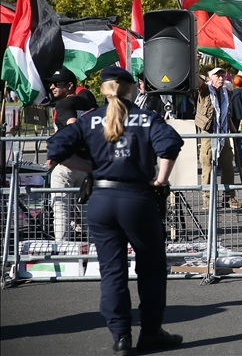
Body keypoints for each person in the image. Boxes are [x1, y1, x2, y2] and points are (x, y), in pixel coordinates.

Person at [46, 66, 184, 355]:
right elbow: (170, 145)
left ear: (104, 90)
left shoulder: (90, 119)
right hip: (137, 199)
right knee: (152, 267)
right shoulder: (146, 118)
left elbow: (56, 147)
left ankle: (121, 335)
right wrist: (160, 180)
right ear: (130, 88)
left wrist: (90, 169)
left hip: (101, 199)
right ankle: (150, 332)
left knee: (112, 270)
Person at [46, 67, 94, 241]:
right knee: (89, 214)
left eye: (57, 84)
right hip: (88, 164)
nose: (52, 87)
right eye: (51, 83)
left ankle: (63, 254)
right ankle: (94, 253)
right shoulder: (89, 103)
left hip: (69, 164)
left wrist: (60, 150)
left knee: (61, 210)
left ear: (70, 86)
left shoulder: (65, 103)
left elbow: (72, 124)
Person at [195, 67, 242, 209]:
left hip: (223, 133)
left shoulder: (226, 92)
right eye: (217, 75)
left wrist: (234, 131)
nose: (221, 78)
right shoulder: (204, 89)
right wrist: (195, 61)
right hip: (209, 133)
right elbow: (196, 80)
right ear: (210, 78)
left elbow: (226, 114)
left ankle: (229, 197)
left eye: (223, 75)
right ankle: (208, 199)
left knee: (228, 166)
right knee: (207, 166)